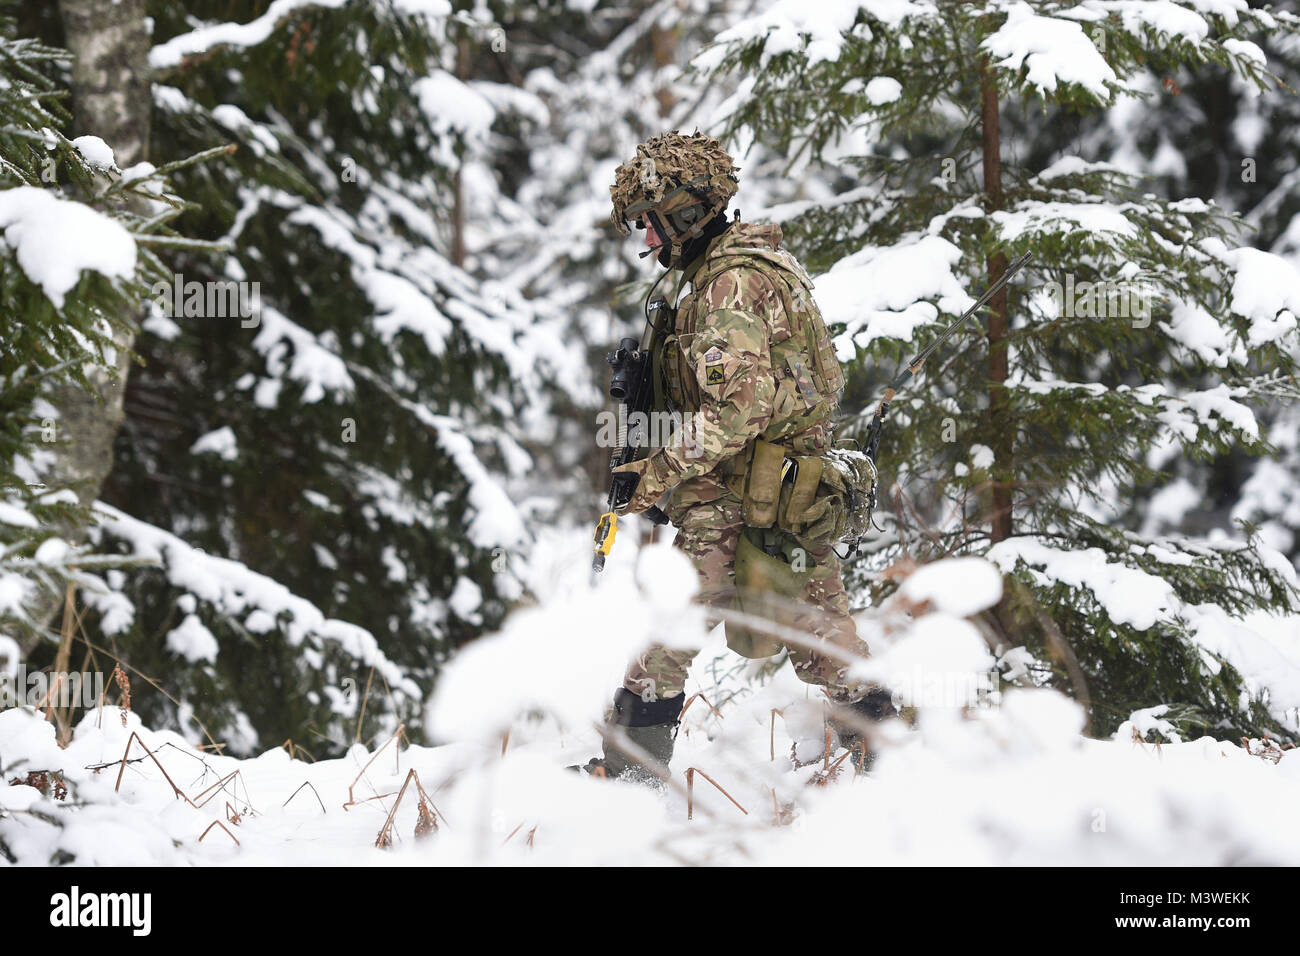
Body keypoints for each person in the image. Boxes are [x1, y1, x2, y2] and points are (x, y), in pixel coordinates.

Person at [593, 130, 892, 783]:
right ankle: (880, 750)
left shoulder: (727, 284)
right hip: (774, 481)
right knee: (814, 630)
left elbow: (740, 406)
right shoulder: (735, 272)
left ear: (684, 213)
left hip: (743, 485)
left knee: (682, 623)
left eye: (650, 224)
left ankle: (630, 774)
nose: (646, 242)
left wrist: (657, 472)